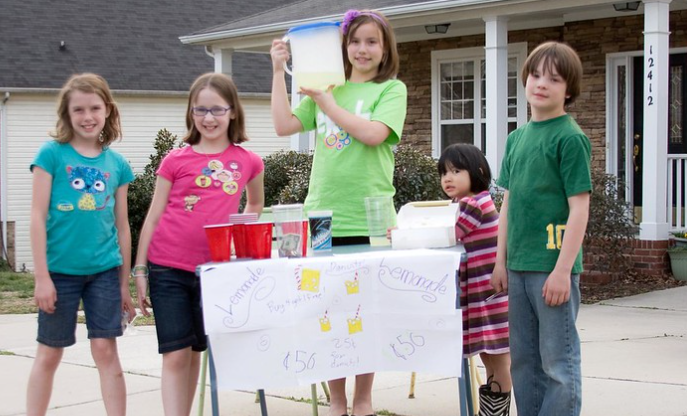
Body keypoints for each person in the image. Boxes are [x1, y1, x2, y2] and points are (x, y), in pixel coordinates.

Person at [270, 8, 406, 416]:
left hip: (373, 216)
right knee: (328, 310)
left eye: (371, 42)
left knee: (366, 313)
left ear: (385, 50)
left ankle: (363, 399)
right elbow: (282, 125)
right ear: (343, 47)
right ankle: (337, 400)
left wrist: (327, 102)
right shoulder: (326, 86)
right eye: (355, 41)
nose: (362, 49)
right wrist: (279, 72)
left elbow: (372, 134)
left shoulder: (391, 90)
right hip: (321, 215)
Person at [133, 72, 265, 416]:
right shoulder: (175, 160)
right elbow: (154, 215)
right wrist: (140, 268)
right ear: (191, 114)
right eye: (200, 110)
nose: (209, 118)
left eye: (217, 110)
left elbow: (254, 204)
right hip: (167, 267)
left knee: (194, 352)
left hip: (214, 273)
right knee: (175, 353)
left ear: (233, 111)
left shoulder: (248, 161)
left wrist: (239, 241)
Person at [26, 73, 136, 416]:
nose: (87, 117)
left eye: (94, 108)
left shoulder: (116, 165)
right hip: (59, 273)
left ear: (107, 111)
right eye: (79, 110)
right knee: (49, 352)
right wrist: (41, 277)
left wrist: (124, 285)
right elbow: (36, 216)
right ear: (67, 114)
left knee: (106, 351)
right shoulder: (51, 155)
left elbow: (122, 227)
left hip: (104, 272)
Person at [492, 41, 591, 416]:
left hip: (553, 270)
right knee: (524, 362)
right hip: (516, 269)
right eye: (536, 74)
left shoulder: (570, 137)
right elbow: (509, 204)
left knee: (558, 365)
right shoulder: (517, 139)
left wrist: (563, 270)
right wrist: (500, 261)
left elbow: (579, 207)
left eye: (554, 78)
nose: (542, 83)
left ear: (569, 89)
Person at [438, 143, 512, 416]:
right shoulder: (474, 202)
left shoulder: (472, 204)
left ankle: (495, 413)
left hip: (488, 295)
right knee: (490, 357)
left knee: (498, 360)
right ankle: (492, 411)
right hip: (486, 294)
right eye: (444, 172)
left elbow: (447, 236)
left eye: (456, 171)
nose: (448, 178)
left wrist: (405, 232)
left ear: (477, 171)